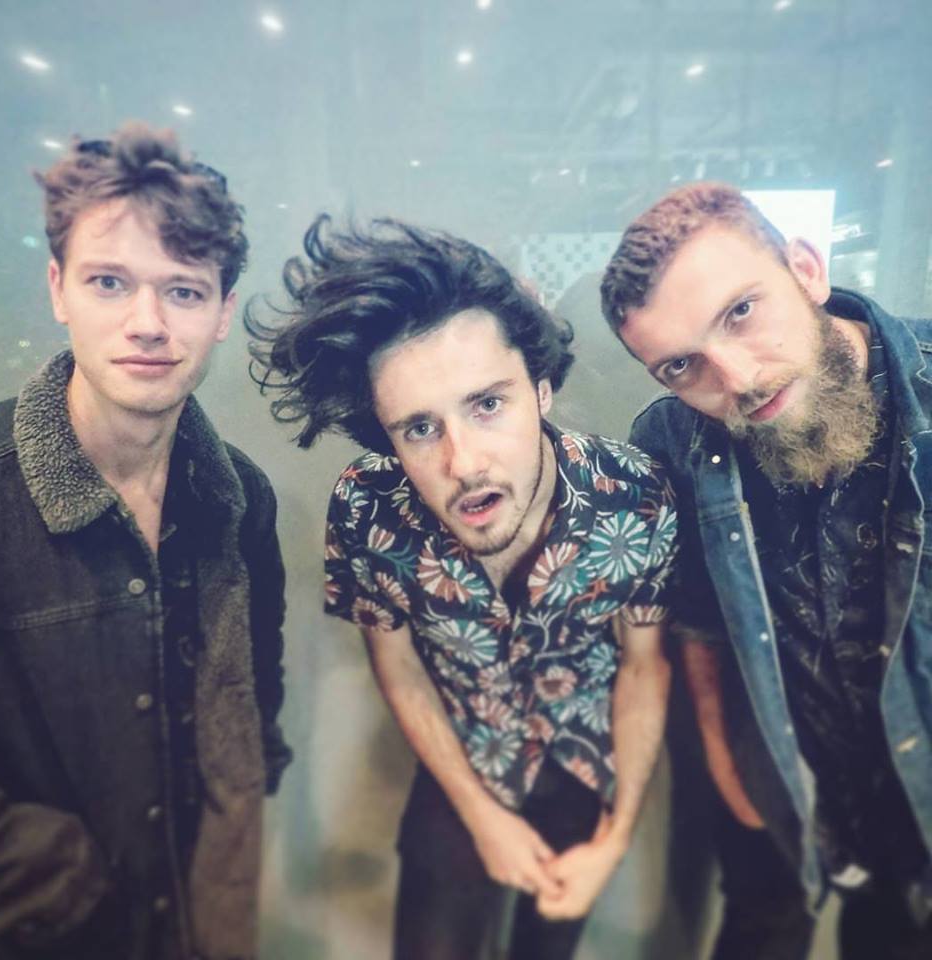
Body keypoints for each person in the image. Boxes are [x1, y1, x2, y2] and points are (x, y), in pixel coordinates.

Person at [247, 215, 676, 959]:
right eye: (419, 428)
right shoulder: (367, 505)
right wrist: (482, 817)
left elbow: (645, 666)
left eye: (488, 404)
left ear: (541, 389)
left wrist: (613, 840)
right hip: (459, 768)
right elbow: (398, 666)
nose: (463, 461)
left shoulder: (634, 493)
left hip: (581, 772)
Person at [0, 123, 291, 960]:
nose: (147, 323)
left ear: (223, 313)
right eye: (110, 282)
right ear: (59, 289)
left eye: (183, 290)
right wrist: (56, 868)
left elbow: (254, 708)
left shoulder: (241, 498)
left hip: (191, 925)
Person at [601, 182, 932, 960]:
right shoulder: (672, 442)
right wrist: (728, 769)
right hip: (811, 798)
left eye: (741, 311)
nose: (737, 379)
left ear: (806, 269)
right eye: (682, 365)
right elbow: (699, 620)